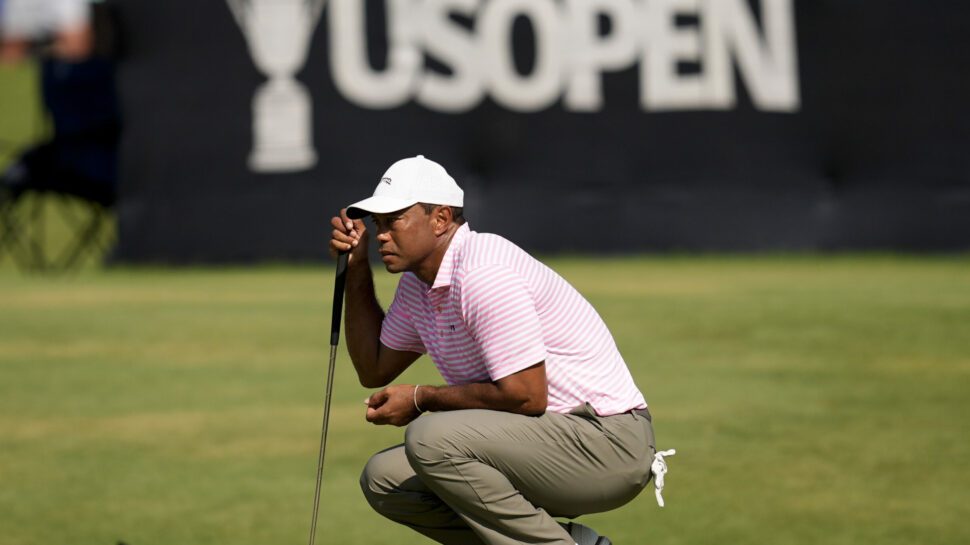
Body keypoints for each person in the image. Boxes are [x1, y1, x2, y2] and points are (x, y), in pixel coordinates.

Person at [329, 155, 669, 545]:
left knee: (430, 437)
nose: (382, 235)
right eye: (378, 224)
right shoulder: (417, 286)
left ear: (440, 219)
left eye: (394, 221)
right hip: (551, 438)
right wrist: (356, 269)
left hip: (607, 443)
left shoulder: (482, 271)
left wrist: (423, 398)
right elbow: (373, 369)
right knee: (385, 479)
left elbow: (525, 395)